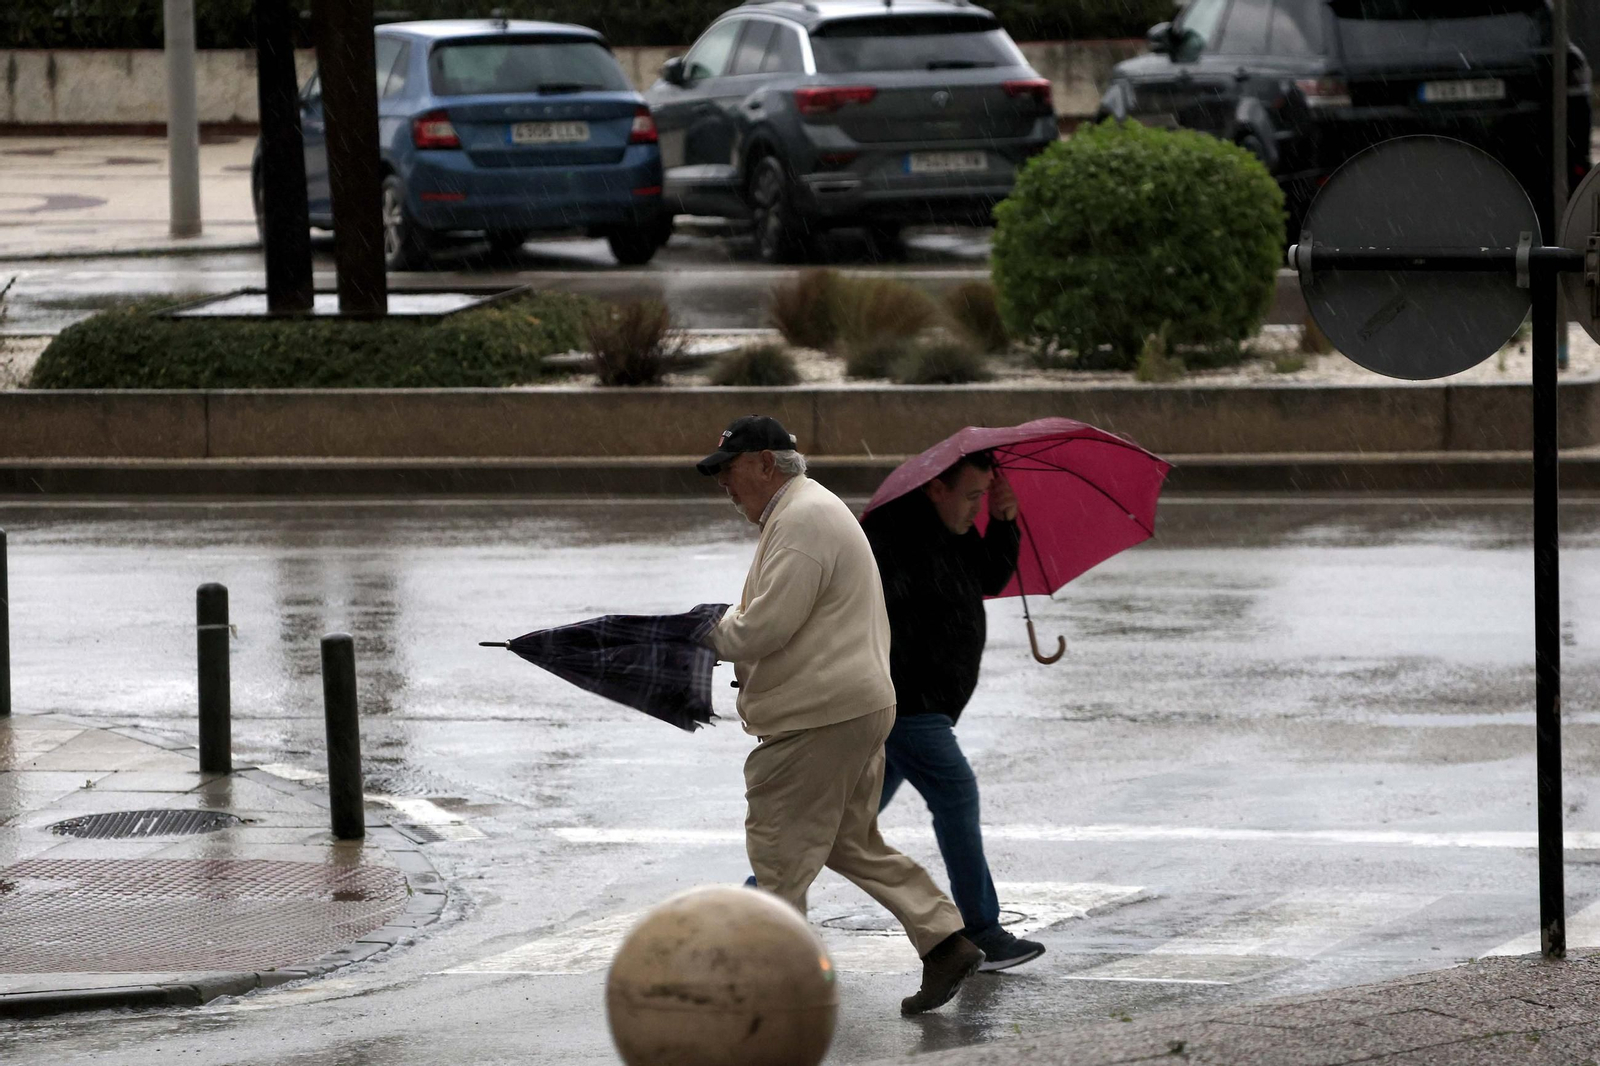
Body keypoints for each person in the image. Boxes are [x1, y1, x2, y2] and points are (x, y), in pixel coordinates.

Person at [698, 414, 983, 1016]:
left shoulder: (801, 520)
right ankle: (945, 943)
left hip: (817, 715)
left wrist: (701, 631)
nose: (723, 483)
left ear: (765, 464)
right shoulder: (805, 510)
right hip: (853, 706)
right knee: (852, 842)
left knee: (778, 854)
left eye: (729, 470)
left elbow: (764, 626)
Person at [861, 451, 1046, 972]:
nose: (975, 508)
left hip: (923, 706)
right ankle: (981, 931)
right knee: (956, 795)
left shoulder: (952, 529)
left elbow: (988, 577)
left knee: (842, 822)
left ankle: (756, 904)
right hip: (908, 703)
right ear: (936, 488)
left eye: (982, 497)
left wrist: (1003, 523)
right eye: (971, 496)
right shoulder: (894, 536)